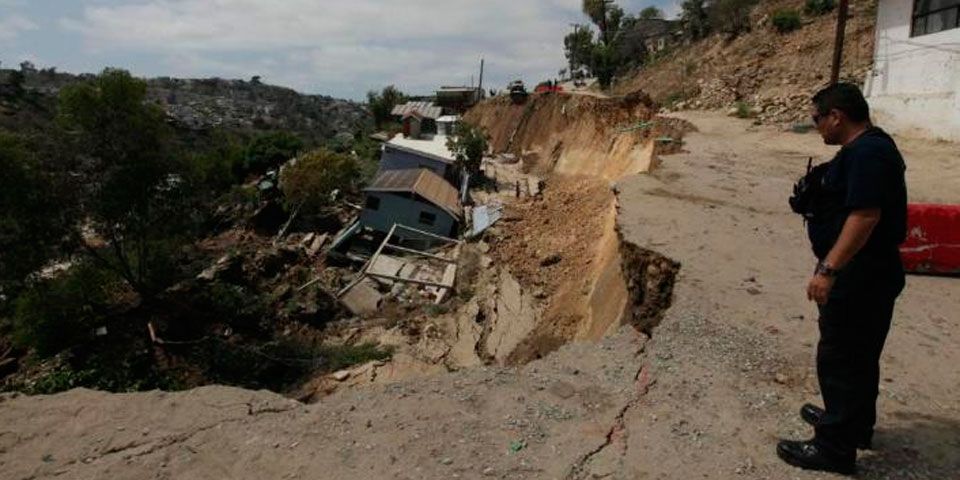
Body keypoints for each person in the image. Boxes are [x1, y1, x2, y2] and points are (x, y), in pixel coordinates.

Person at [777, 83, 908, 475]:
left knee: (840, 357)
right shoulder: (868, 149)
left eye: (818, 119)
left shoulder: (869, 153)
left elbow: (865, 216)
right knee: (859, 355)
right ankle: (853, 424)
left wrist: (828, 269)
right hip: (869, 273)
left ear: (837, 116)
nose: (817, 126)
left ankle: (834, 447)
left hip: (859, 275)